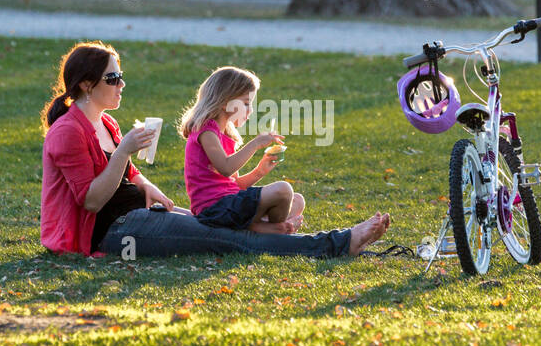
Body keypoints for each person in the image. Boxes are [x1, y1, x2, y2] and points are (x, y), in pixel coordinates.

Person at [40, 41, 390, 260]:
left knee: (229, 231)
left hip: (136, 215)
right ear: (87, 85)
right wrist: (125, 152)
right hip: (111, 230)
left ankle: (335, 242)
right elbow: (91, 200)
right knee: (227, 239)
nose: (122, 84)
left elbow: (127, 174)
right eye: (112, 79)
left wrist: (146, 185)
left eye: (120, 76)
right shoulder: (67, 132)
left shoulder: (105, 123)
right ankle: (339, 244)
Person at [180, 65, 304, 235]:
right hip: (215, 210)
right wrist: (255, 143)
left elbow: (232, 185)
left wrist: (259, 171)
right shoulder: (206, 131)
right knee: (283, 190)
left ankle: (263, 228)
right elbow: (225, 168)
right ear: (225, 102)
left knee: (297, 200)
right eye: (246, 103)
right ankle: (267, 230)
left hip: (229, 205)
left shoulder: (224, 136)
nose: (250, 110)